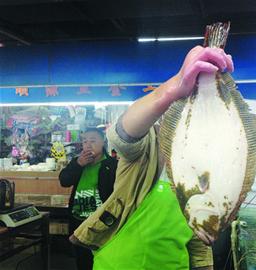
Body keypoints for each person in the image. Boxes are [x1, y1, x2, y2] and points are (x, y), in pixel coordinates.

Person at [70, 46, 234, 270]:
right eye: (177, 110)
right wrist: (170, 90)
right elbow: (122, 135)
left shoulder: (203, 166)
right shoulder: (145, 148)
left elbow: (199, 235)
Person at [59, 128, 118, 270]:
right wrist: (78, 164)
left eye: (93, 141)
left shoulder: (112, 164)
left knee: (102, 258)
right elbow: (64, 181)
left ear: (103, 142)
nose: (88, 144)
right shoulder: (77, 162)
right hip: (78, 221)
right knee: (82, 260)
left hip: (100, 223)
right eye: (85, 141)